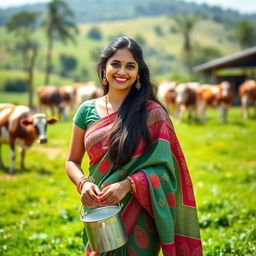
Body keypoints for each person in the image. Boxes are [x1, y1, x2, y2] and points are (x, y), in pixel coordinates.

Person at [65, 37, 203, 256]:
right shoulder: (86, 110)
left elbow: (168, 172)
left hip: (140, 213)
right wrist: (82, 183)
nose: (122, 71)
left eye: (130, 66)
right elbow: (72, 161)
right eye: (115, 64)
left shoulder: (153, 114)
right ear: (104, 69)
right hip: (99, 210)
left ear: (139, 73)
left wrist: (128, 185)